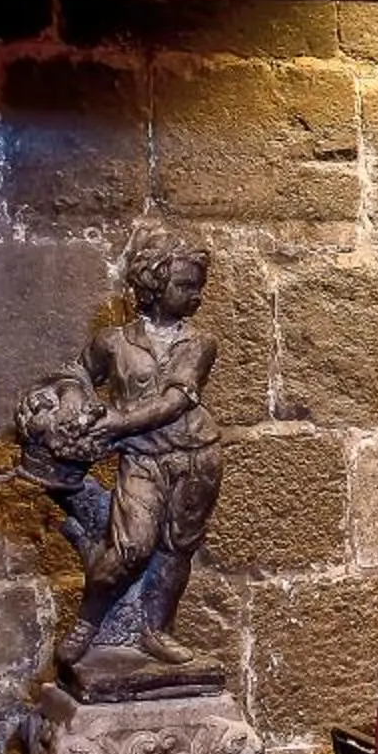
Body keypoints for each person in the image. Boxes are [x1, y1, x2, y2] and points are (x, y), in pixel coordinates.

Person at [56, 233, 222, 671]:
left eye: (199, 285)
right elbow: (76, 372)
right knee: (132, 548)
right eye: (185, 285)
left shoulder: (200, 343)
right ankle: (88, 622)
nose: (196, 295)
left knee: (176, 549)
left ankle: (156, 630)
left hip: (196, 458)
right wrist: (76, 397)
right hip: (143, 461)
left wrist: (113, 423)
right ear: (153, 284)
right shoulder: (113, 341)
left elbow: (176, 401)